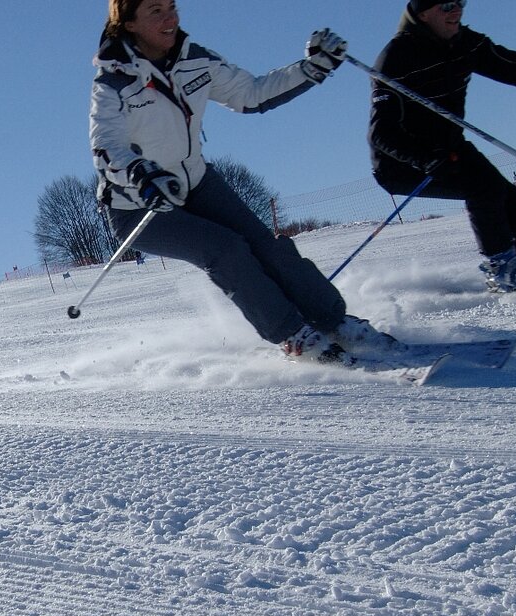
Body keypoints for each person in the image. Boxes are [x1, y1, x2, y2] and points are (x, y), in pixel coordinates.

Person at [90, 0, 408, 366]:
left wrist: (313, 68)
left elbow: (252, 94)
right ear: (129, 23)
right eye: (156, 11)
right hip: (138, 205)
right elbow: (106, 145)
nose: (170, 18)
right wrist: (141, 175)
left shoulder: (194, 58)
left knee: (265, 246)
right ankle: (294, 336)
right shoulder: (113, 80)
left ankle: (334, 321)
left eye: (172, 7)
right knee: (225, 249)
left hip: (195, 182)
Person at [368, 0, 516, 293]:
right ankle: (502, 268)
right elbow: (381, 134)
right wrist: (425, 158)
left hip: (450, 147)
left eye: (460, 3)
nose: (456, 11)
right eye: (446, 6)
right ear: (423, 13)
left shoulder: (465, 43)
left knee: (511, 198)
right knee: (484, 188)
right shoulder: (396, 57)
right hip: (402, 163)